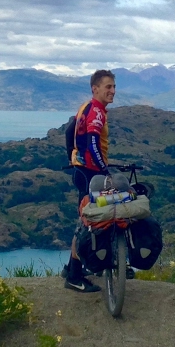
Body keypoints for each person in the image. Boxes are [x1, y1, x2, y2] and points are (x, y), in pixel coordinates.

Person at [62, 69, 115, 292]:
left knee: (85, 219)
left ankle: (71, 268)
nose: (112, 91)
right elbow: (93, 144)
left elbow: (69, 131)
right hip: (91, 173)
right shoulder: (97, 112)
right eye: (108, 87)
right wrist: (104, 170)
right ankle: (74, 277)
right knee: (86, 222)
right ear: (95, 88)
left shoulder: (86, 107)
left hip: (82, 171)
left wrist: (72, 157)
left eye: (114, 87)